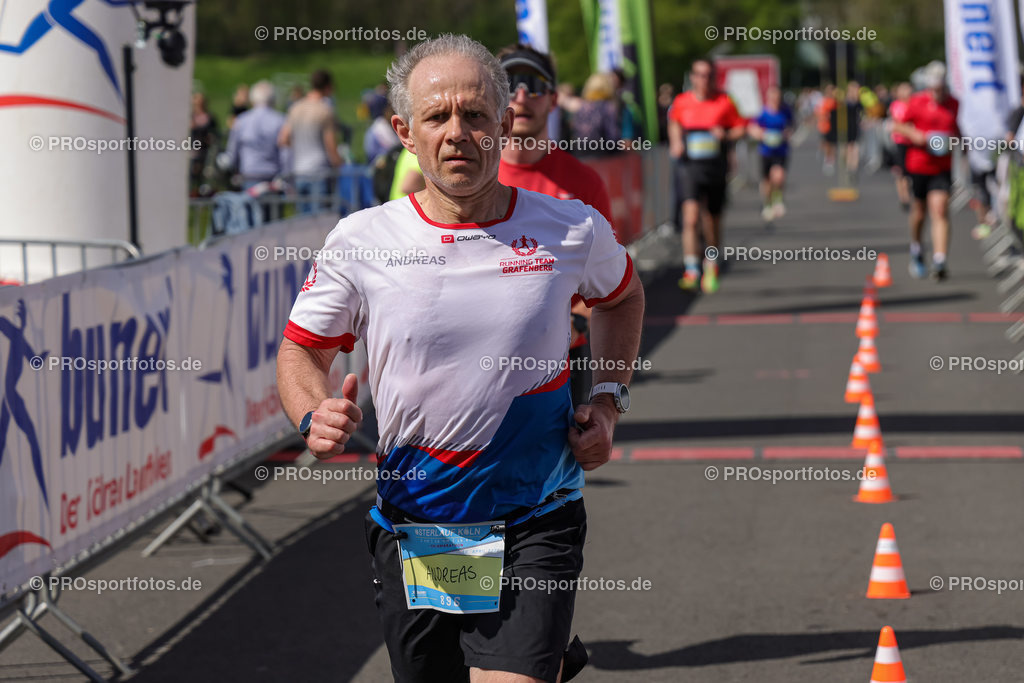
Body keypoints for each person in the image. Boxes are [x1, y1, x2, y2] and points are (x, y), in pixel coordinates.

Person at [276, 33, 644, 683]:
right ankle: (548, 658)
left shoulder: (571, 227)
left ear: (504, 126)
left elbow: (622, 296)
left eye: (475, 115)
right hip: (426, 519)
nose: (457, 133)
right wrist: (313, 413)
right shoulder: (364, 240)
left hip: (538, 510)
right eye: (437, 116)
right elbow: (302, 350)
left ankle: (534, 659)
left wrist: (609, 400)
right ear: (403, 132)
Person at [496, 43, 615, 409]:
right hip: (480, 357)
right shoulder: (466, 176)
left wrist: (578, 321)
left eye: (534, 84)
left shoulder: (584, 183)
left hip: (562, 361)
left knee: (560, 466)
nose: (521, 95)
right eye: (510, 83)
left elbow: (608, 281)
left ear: (553, 99)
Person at [667, 58, 745, 293]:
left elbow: (740, 127)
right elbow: (674, 123)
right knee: (690, 217)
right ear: (692, 77)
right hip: (689, 167)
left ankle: (711, 261)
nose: (703, 80)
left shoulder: (724, 101)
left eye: (708, 75)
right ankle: (691, 268)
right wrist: (676, 141)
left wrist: (726, 135)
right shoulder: (682, 102)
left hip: (715, 167)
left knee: (712, 220)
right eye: (699, 75)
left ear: (714, 77)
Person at [892, 61, 959, 281]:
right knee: (919, 212)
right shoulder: (917, 101)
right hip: (919, 164)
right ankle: (917, 248)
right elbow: (898, 125)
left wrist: (956, 141)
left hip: (942, 166)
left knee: (939, 209)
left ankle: (940, 260)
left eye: (941, 88)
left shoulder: (954, 103)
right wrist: (916, 135)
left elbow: (958, 129)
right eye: (934, 88)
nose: (937, 92)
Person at [278, 69, 343, 214]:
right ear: (328, 86)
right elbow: (331, 147)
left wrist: (300, 147)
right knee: (320, 223)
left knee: (303, 223)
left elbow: (283, 139)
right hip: (319, 170)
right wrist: (341, 164)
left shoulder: (295, 107)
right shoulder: (325, 110)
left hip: (299, 169)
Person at [225, 80, 287, 189]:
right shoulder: (280, 120)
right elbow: (285, 152)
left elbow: (233, 151)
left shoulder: (242, 121)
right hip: (273, 175)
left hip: (249, 174)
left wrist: (234, 170)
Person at [749, 85, 793, 223]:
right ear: (768, 97)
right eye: (773, 96)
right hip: (765, 151)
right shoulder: (762, 113)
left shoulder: (785, 111)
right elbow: (752, 128)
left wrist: (786, 133)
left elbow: (791, 126)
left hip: (781, 150)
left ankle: (778, 199)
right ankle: (767, 204)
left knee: (779, 176)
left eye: (778, 96)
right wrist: (761, 135)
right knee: (767, 180)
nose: (775, 99)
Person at [887, 82, 913, 211]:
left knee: (910, 172)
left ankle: (908, 194)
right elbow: (898, 124)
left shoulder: (913, 104)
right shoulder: (896, 106)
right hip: (900, 142)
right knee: (901, 172)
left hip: (912, 142)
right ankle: (904, 197)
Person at [189, 92, 218, 196]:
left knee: (204, 176)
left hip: (205, 152)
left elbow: (213, 134)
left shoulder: (209, 118)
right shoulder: (189, 118)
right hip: (191, 151)